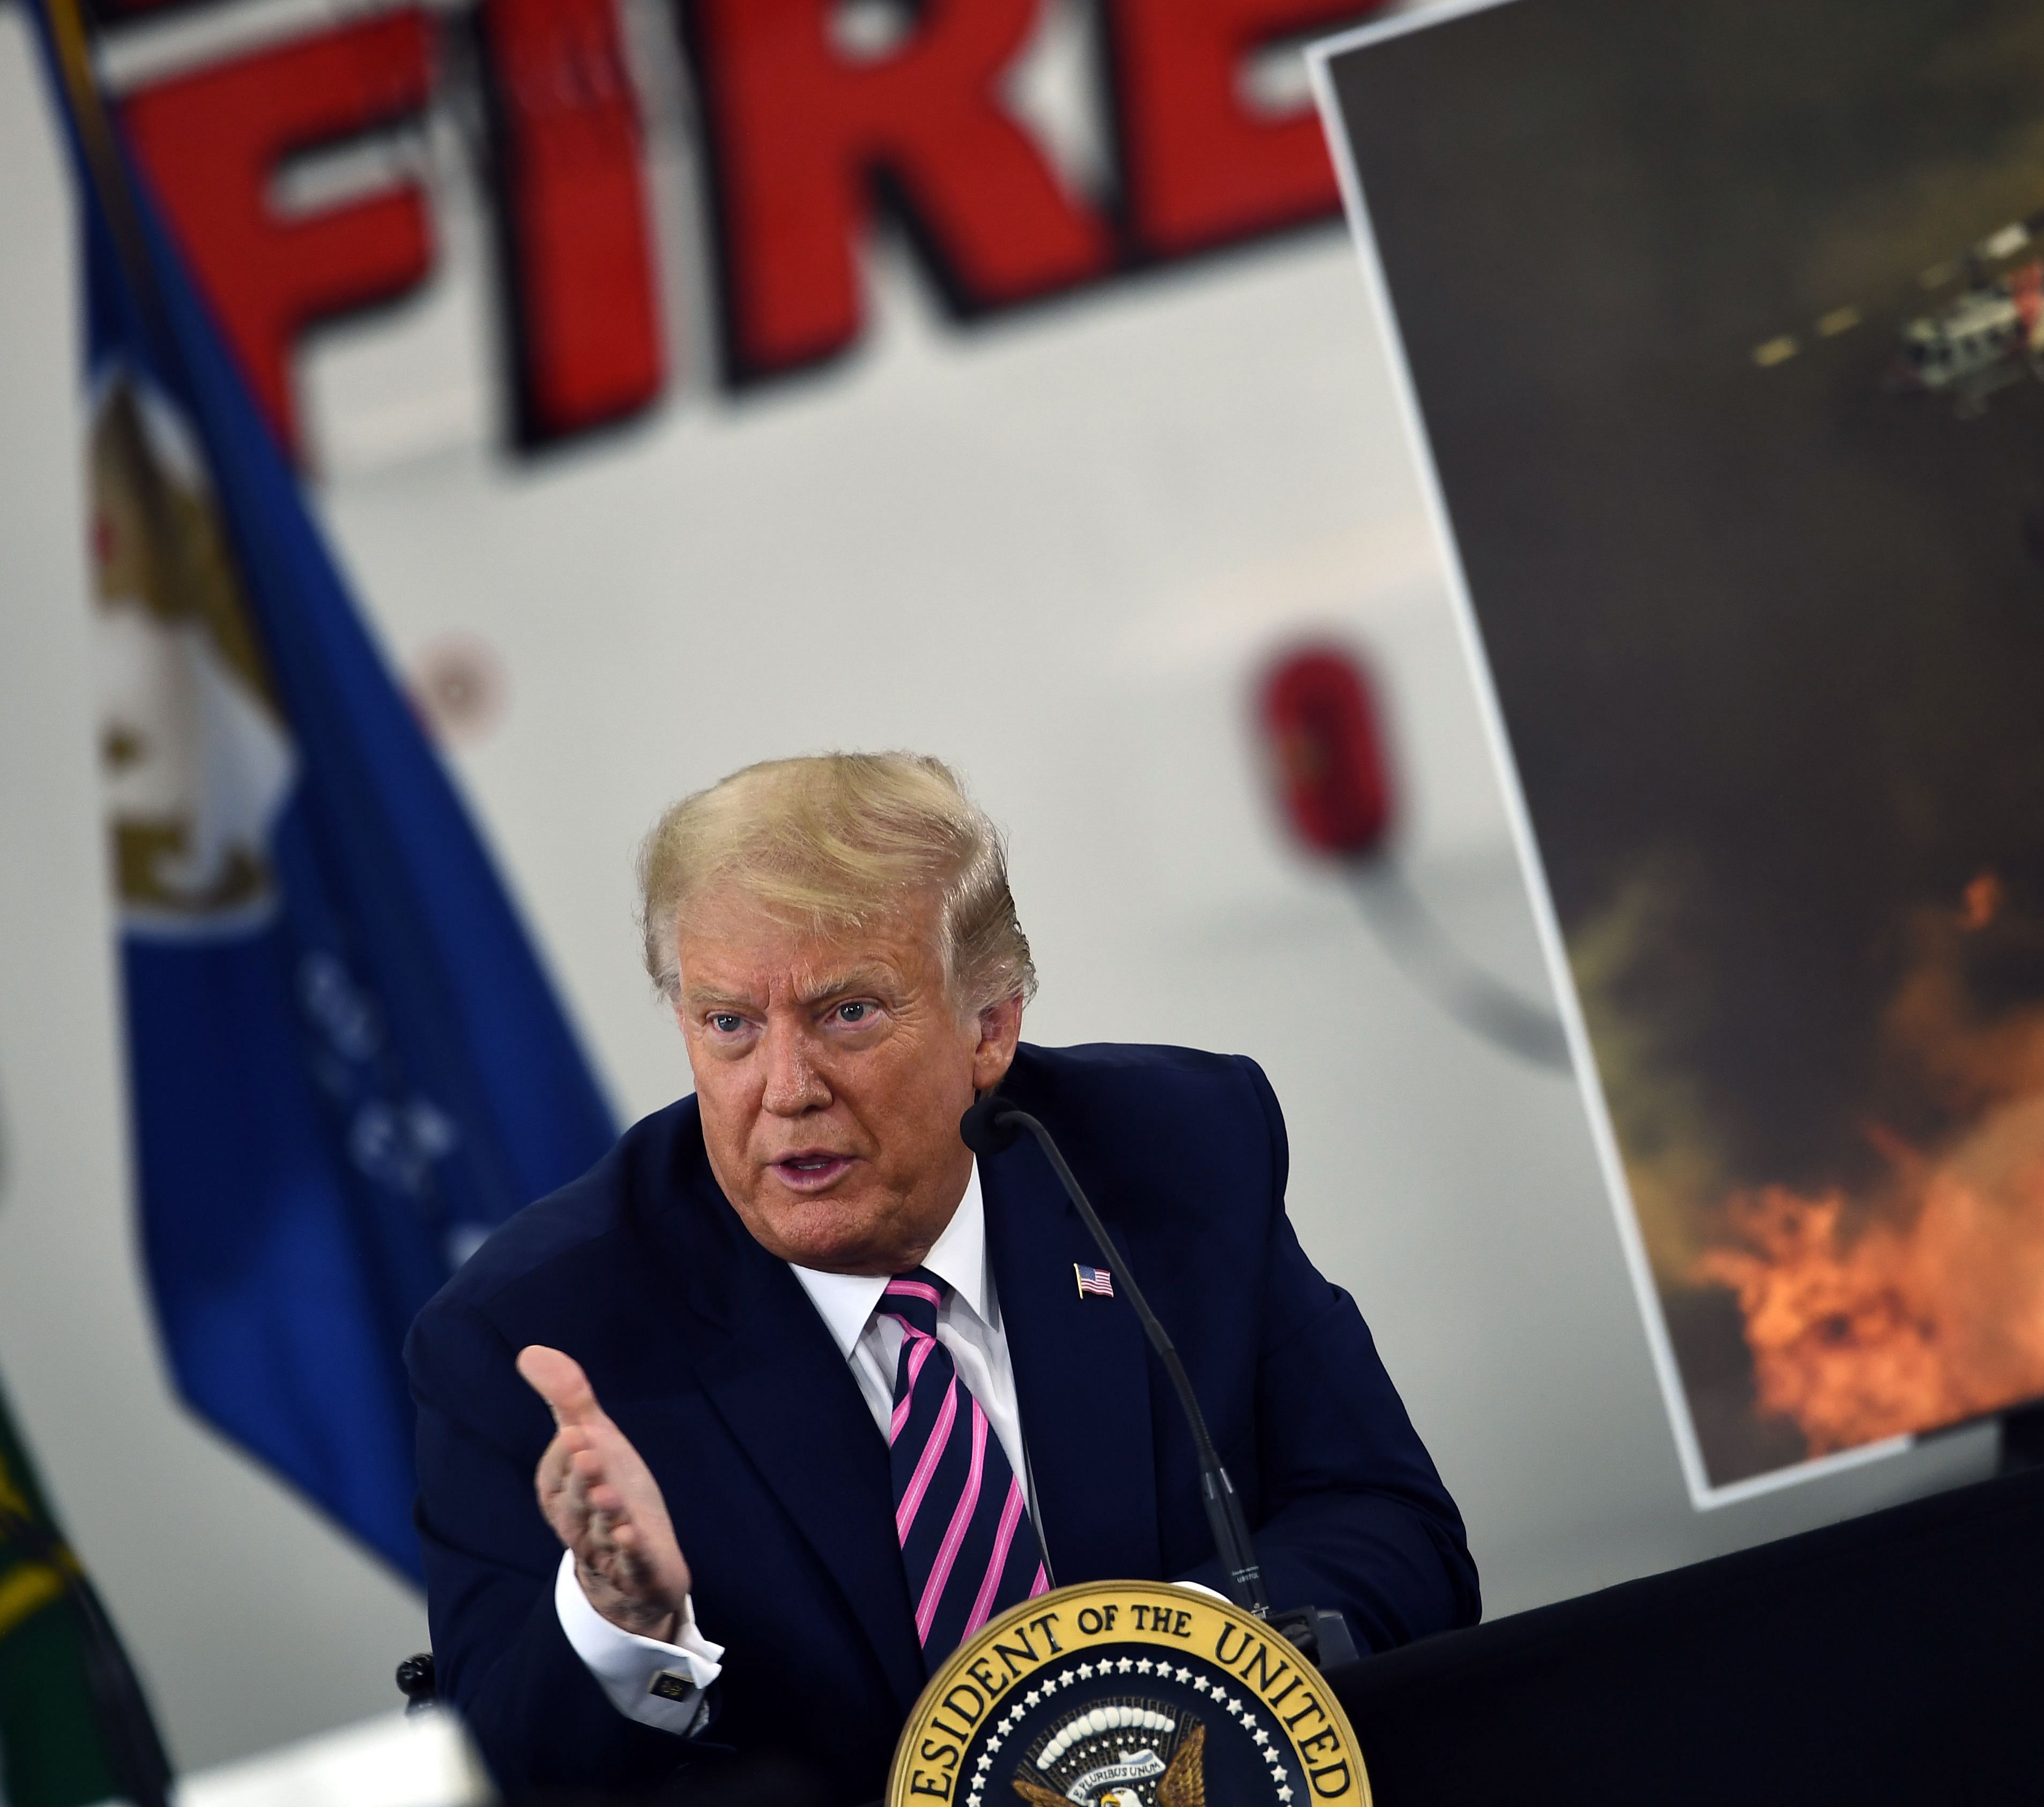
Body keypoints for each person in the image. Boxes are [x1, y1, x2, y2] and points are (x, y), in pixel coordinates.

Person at [407, 755, 1477, 1801]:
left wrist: (1160, 1673)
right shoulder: (537, 1329)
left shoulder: (1172, 1154)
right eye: (728, 1023)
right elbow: (498, 1754)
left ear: (990, 1026)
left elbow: (1390, 1527)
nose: (784, 1090)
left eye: (848, 1013)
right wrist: (617, 1625)